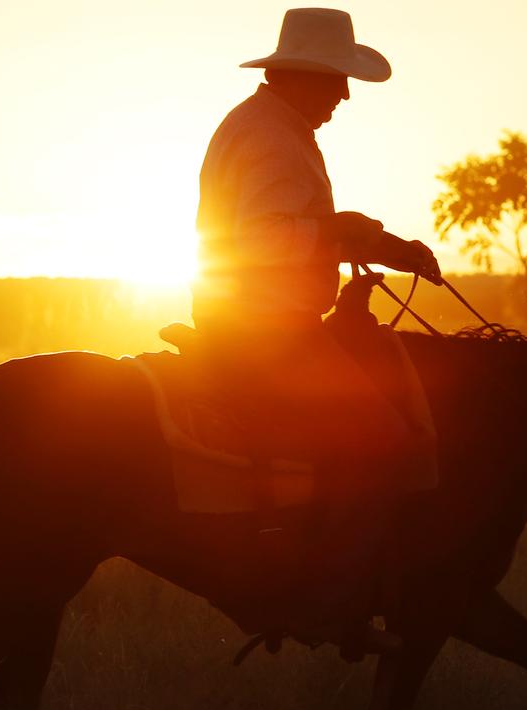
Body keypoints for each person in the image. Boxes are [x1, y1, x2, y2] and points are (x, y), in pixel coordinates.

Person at [192, 8, 439, 657]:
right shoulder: (271, 136)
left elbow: (287, 230)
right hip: (262, 328)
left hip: (260, 318)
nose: (344, 96)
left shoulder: (272, 126)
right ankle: (329, 608)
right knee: (383, 442)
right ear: (301, 75)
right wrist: (338, 232)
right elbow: (260, 238)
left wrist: (385, 247)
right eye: (335, 81)